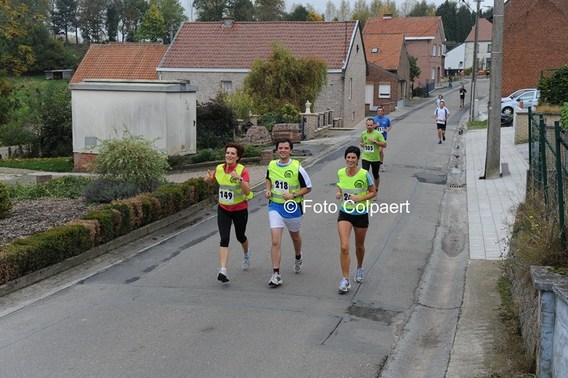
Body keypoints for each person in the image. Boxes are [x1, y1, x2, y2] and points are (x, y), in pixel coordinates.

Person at [265, 138, 312, 287]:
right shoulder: (272, 165)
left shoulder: (298, 167)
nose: (283, 150)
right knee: (275, 240)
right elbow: (268, 179)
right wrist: (267, 189)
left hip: (292, 208)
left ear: (291, 150)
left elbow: (308, 187)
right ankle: (276, 274)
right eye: (280, 148)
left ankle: (298, 256)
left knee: (295, 236)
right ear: (277, 150)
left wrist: (293, 195)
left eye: (286, 148)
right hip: (275, 207)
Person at [204, 142, 253, 283]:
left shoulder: (242, 170)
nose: (229, 155)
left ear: (237, 157)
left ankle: (246, 253)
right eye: (227, 153)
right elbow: (213, 181)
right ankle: (223, 270)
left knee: (240, 236)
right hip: (224, 209)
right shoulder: (219, 168)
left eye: (232, 153)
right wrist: (208, 180)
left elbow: (247, 191)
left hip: (240, 209)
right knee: (224, 238)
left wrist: (240, 179)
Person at [335, 146, 377, 293]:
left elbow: (373, 192)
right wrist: (339, 193)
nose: (350, 160)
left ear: (358, 159)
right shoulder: (341, 172)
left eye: (353, 158)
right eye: (348, 157)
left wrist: (360, 198)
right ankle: (345, 280)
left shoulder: (365, 174)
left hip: (361, 213)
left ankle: (359, 267)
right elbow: (341, 186)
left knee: (359, 246)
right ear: (345, 158)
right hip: (345, 213)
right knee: (344, 247)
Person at [360, 118, 386, 192]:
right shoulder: (363, 133)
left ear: (373, 125)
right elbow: (361, 142)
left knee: (375, 175)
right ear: (366, 125)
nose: (369, 127)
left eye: (371, 125)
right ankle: (366, 190)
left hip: (375, 158)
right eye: (368, 125)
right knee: (365, 174)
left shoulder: (378, 134)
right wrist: (362, 144)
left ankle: (376, 189)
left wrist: (375, 141)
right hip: (365, 157)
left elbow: (384, 145)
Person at [372, 106, 391, 172]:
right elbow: (370, 127)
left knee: (380, 150)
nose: (380, 112)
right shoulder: (374, 119)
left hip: (383, 137)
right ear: (377, 112)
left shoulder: (386, 119)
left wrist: (387, 130)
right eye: (378, 111)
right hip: (375, 137)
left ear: (383, 112)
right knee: (376, 151)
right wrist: (375, 125)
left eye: (381, 111)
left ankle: (381, 164)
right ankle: (376, 163)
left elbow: (390, 126)